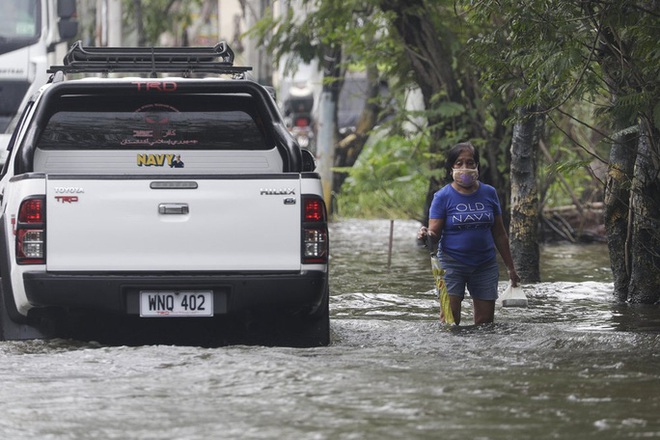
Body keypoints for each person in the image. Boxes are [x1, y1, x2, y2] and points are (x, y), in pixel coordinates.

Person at [417, 142, 520, 325]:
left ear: (477, 166)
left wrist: (511, 268)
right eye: (459, 163)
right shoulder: (442, 196)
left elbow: (500, 234)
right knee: (449, 320)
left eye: (470, 163)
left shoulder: (489, 193)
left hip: (485, 265)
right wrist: (426, 235)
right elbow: (434, 234)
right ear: (451, 168)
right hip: (451, 264)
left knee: (485, 323)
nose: (465, 168)